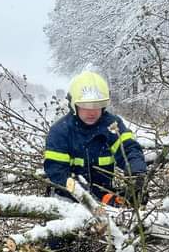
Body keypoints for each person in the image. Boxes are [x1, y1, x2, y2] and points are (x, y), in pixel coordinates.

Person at [44, 71, 148, 206]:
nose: (92, 112)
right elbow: (57, 171)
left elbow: (129, 149)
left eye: (97, 105)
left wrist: (136, 175)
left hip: (104, 191)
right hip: (67, 198)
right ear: (74, 104)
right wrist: (88, 195)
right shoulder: (60, 131)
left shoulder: (112, 125)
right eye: (86, 106)